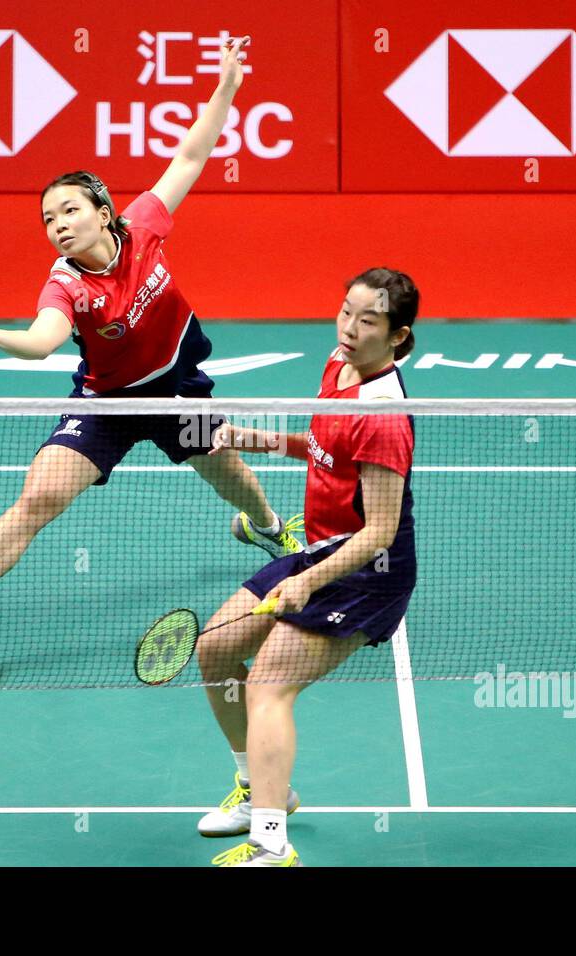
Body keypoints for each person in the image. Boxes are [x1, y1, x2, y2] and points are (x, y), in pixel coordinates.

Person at [0, 36, 302, 650]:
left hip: (177, 393)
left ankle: (267, 528)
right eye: (48, 219)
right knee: (41, 494)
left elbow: (192, 155)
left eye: (68, 210)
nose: (58, 225)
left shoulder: (145, 226)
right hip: (107, 405)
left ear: (103, 210)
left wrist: (227, 86)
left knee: (234, 478)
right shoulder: (65, 284)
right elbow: (44, 342)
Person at [196, 268, 419, 867]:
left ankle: (271, 844)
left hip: (369, 572)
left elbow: (380, 531)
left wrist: (305, 582)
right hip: (319, 551)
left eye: (367, 321)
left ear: (397, 337)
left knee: (269, 684)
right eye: (345, 311)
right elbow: (323, 444)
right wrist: (254, 439)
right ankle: (261, 791)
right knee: (214, 650)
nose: (348, 327)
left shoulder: (384, 415)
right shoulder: (338, 364)